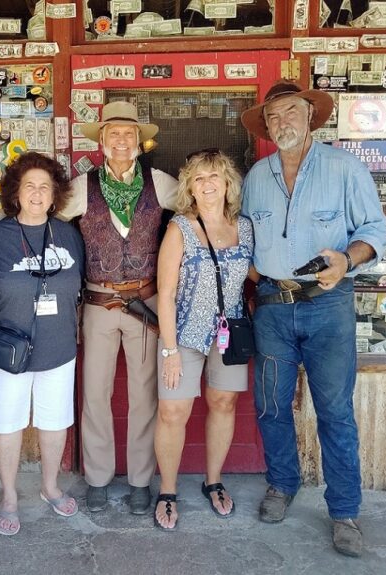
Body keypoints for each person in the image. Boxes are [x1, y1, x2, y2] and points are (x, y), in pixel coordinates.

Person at [240, 80, 386, 557]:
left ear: (309, 116)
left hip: (328, 308)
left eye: (290, 112)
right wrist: (254, 269)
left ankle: (344, 511)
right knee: (271, 406)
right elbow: (244, 235)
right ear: (266, 126)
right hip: (272, 309)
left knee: (335, 413)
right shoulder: (256, 175)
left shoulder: (345, 168)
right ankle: (282, 485)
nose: (282, 122)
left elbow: (373, 230)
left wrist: (348, 259)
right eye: (273, 116)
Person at [58, 102, 178, 514]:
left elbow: (196, 214)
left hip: (144, 302)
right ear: (103, 142)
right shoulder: (80, 188)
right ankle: (97, 477)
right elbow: (44, 221)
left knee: (145, 394)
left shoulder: (160, 183)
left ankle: (142, 479)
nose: (122, 141)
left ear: (140, 143)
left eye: (129, 134)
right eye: (114, 134)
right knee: (95, 393)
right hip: (97, 301)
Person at [0, 152, 84, 536]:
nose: (37, 194)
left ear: (55, 194)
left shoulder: (68, 234)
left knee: (55, 419)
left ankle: (49, 486)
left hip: (58, 346)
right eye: (30, 186)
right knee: (6, 423)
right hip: (7, 348)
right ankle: (8, 495)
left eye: (45, 187)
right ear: (15, 193)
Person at [153, 150, 254, 531]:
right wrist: (170, 350)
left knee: (224, 403)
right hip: (186, 332)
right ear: (189, 187)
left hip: (230, 335)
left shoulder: (243, 227)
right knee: (172, 411)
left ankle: (213, 482)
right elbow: (165, 293)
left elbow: (257, 272)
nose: (208, 184)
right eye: (199, 178)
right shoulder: (180, 227)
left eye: (215, 176)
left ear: (228, 184)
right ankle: (167, 491)